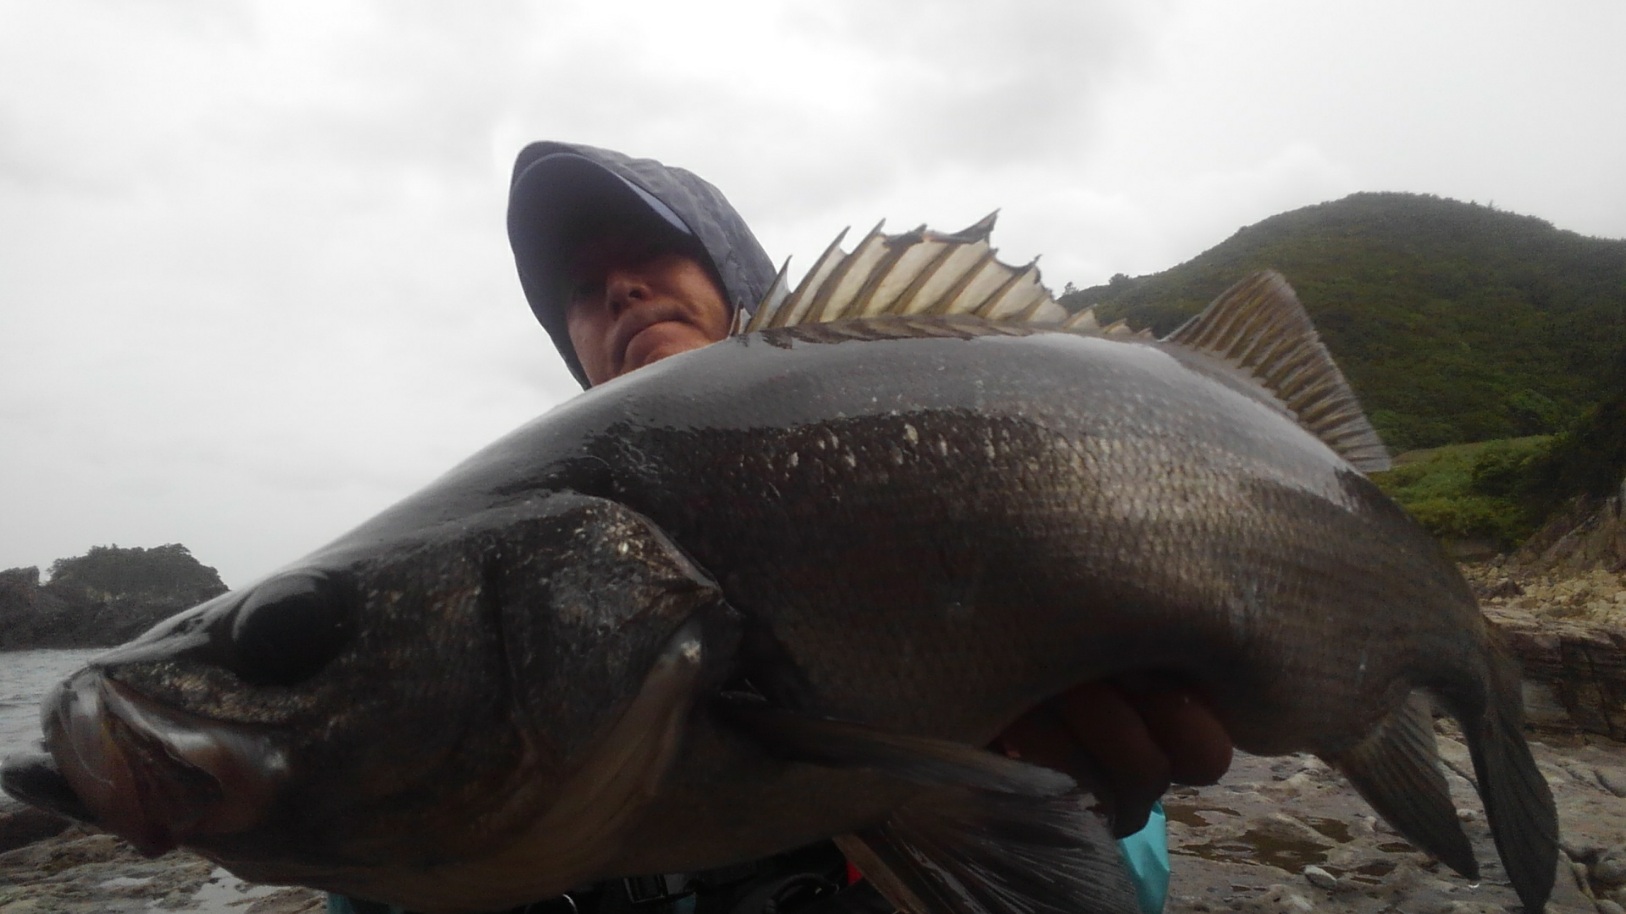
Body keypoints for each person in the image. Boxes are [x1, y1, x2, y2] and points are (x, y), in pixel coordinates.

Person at [331, 142, 1234, 914]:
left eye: (651, 247)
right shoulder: (527, 555)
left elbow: (1121, 878)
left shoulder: (942, 421)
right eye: (581, 286)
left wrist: (1085, 816)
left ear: (735, 274)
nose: (619, 287)